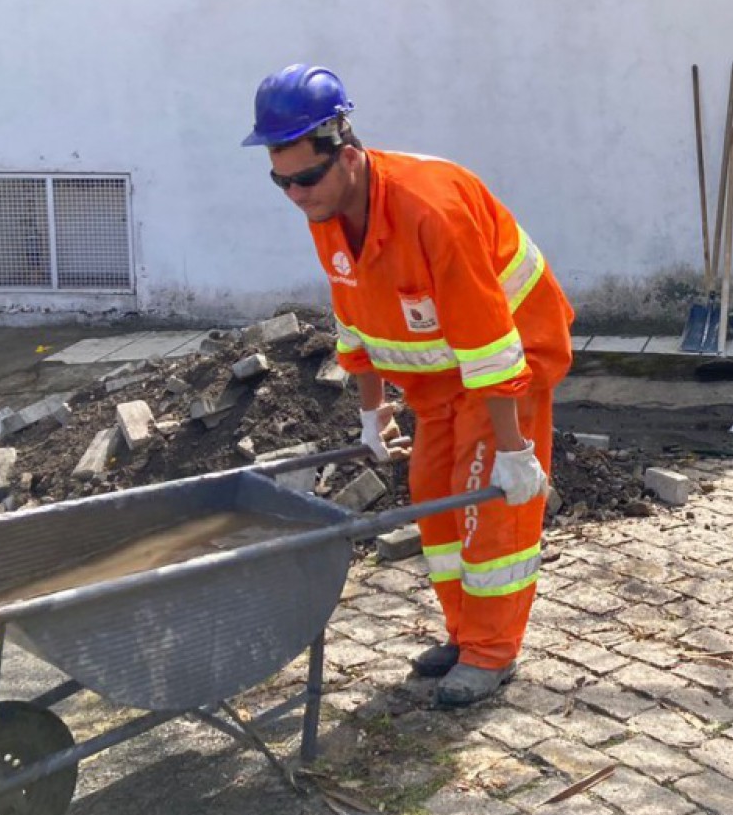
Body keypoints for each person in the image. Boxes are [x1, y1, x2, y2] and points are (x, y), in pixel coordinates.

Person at [242, 64, 575, 709]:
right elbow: (355, 320)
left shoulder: (432, 211)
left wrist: (514, 452)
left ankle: (491, 652)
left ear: (348, 148)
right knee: (434, 497)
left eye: (307, 177)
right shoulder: (327, 211)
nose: (296, 194)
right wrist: (373, 413)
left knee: (488, 507)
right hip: (440, 375)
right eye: (280, 182)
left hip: (508, 361)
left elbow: (489, 341)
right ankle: (462, 634)